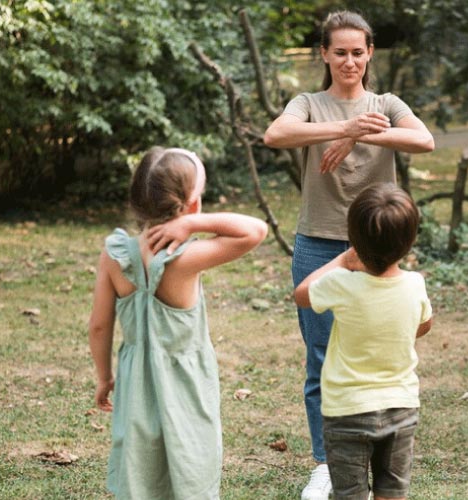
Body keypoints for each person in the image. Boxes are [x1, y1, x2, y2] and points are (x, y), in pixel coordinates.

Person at [263, 10, 434, 500]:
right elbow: (276, 135)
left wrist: (358, 131)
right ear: (324, 54)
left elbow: (423, 140)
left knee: (382, 353)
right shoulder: (309, 102)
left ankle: (383, 457)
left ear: (370, 53)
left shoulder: (386, 103)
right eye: (340, 52)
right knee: (320, 359)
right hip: (319, 242)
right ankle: (325, 463)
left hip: (379, 245)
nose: (350, 61)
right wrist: (337, 129)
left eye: (358, 52)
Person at [88, 147, 268, 499]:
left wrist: (104, 377)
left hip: (135, 379)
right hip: (186, 384)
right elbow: (255, 230)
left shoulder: (114, 254)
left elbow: (98, 325)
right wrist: (194, 224)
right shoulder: (186, 259)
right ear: (193, 206)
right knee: (191, 461)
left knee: (139, 466)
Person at [294, 183, 433, 500]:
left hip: (347, 410)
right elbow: (423, 326)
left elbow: (301, 295)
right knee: (392, 491)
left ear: (353, 239)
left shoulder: (341, 284)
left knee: (351, 493)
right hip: (401, 406)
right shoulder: (414, 285)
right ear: (409, 242)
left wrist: (342, 261)